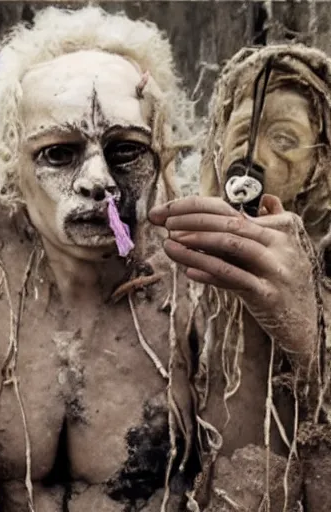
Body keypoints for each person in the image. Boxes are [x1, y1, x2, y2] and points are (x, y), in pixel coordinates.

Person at [0, 7, 202, 511]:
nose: (99, 182)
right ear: (9, 164)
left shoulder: (193, 270)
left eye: (125, 151)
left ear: (162, 153)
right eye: (59, 153)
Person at [150, 44, 331, 509]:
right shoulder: (174, 274)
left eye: (286, 140)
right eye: (244, 133)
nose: (257, 158)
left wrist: (309, 326)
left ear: (323, 166)